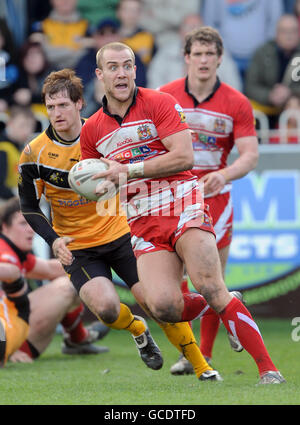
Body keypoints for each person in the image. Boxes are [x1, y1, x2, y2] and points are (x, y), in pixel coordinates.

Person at [80, 41, 285, 385]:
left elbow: (184, 157)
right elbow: (97, 181)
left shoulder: (159, 102)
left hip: (183, 201)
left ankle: (268, 369)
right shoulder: (92, 130)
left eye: (128, 65)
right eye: (113, 67)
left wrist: (127, 172)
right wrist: (98, 188)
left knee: (207, 283)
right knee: (162, 306)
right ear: (100, 75)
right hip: (143, 218)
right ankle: (226, 303)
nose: (122, 73)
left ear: (135, 70)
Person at [18, 68, 222, 380]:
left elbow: (138, 172)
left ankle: (202, 367)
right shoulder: (34, 153)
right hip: (80, 248)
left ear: (78, 105)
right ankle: (138, 330)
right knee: (107, 308)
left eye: (63, 105)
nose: (56, 113)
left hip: (123, 234)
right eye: (50, 106)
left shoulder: (102, 136)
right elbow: (29, 207)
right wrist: (54, 240)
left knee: (158, 305)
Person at [157, 25, 260, 374]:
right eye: (197, 54)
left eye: (209, 54)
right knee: (182, 280)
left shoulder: (236, 102)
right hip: (173, 194)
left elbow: (249, 155)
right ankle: (202, 341)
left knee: (211, 277)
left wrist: (225, 174)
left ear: (219, 59)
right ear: (186, 58)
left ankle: (202, 354)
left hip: (215, 195)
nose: (203, 60)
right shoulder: (165, 97)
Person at [0, 197, 109, 366]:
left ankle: (77, 338)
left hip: (19, 335)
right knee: (69, 285)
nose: (30, 230)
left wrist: (96, 259)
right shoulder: (5, 254)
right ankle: (77, 338)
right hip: (9, 336)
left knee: (76, 275)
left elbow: (51, 269)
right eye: (23, 224)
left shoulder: (17, 254)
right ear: (4, 227)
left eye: (31, 223)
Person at [202, 0, 283, 82]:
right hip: (226, 57)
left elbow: (276, 22)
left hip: (261, 56)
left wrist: (264, 50)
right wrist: (223, 50)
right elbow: (209, 23)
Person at [245, 14, 300, 128]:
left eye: (293, 31)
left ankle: (293, 144)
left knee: (294, 106)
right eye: (284, 31)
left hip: (293, 107)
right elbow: (250, 85)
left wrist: (289, 92)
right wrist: (269, 95)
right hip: (264, 107)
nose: (289, 36)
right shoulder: (262, 52)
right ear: (276, 33)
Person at [0, 106, 36, 203]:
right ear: (10, 124)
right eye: (22, 125)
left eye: (30, 126)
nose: (27, 131)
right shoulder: (3, 148)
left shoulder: (24, 147)